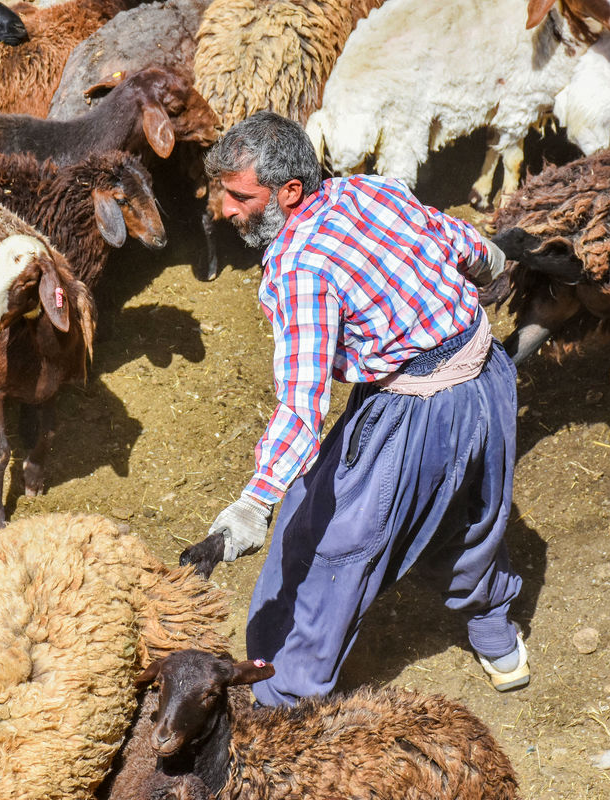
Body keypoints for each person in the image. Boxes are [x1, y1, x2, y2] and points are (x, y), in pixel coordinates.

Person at [203, 110, 526, 706]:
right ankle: (496, 633)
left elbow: (302, 405)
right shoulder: (369, 189)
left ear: (289, 191)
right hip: (490, 378)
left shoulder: (300, 267)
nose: (225, 210)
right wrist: (496, 268)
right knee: (471, 510)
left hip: (419, 412)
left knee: (332, 540)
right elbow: (459, 241)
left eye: (239, 196)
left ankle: (283, 695)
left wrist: (254, 503)